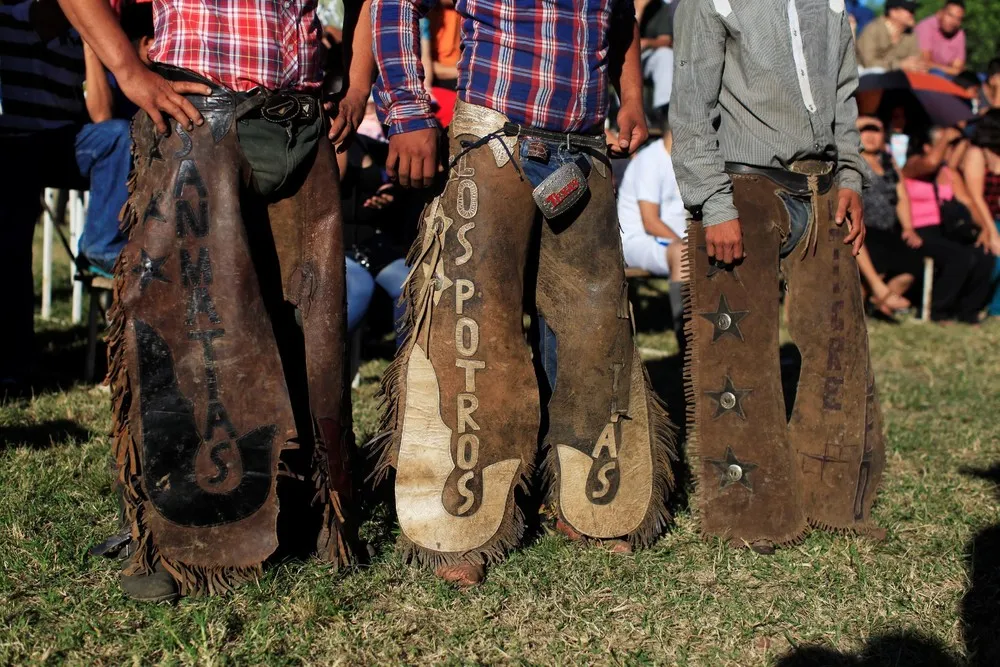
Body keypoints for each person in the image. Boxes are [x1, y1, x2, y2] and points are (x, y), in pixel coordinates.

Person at [56, 0, 373, 601]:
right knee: (188, 332)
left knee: (310, 334)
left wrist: (357, 83)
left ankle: (299, 515)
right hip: (196, 113)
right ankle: (179, 542)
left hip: (300, 123)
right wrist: (126, 67)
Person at [372, 0, 676, 587]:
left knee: (597, 331)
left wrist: (631, 96)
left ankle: (588, 506)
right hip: (492, 136)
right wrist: (409, 112)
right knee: (473, 328)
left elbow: (621, 20)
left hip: (584, 148)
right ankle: (463, 528)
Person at [672, 0, 886, 552]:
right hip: (743, 186)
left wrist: (851, 179)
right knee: (740, 359)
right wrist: (714, 205)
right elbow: (691, 103)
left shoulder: (833, 3)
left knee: (840, 344)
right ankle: (750, 515)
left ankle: (832, 500)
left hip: (821, 189)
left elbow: (843, 95)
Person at [1, 0, 84, 395]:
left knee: (116, 139)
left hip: (66, 142)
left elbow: (100, 112)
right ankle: (15, 361)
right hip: (13, 144)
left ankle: (100, 256)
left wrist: (90, 37)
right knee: (11, 243)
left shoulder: (81, 27)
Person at [75, 1, 153, 277]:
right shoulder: (110, 65)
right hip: (90, 145)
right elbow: (101, 115)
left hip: (122, 154)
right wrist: (91, 44)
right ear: (145, 42)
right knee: (118, 133)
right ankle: (100, 245)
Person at [903, 125, 994, 322]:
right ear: (928, 147)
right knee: (958, 256)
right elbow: (931, 162)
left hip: (946, 230)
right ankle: (937, 310)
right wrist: (946, 136)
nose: (951, 149)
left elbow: (968, 202)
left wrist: (984, 230)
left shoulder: (949, 173)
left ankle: (968, 312)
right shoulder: (913, 165)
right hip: (918, 230)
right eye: (946, 145)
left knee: (983, 255)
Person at [616, 116, 686, 339]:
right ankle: (688, 347)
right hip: (638, 240)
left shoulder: (689, 161)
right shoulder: (651, 160)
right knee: (684, 254)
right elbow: (651, 222)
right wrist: (691, 244)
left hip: (671, 239)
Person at [856, 116, 923, 315]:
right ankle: (870, 302)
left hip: (887, 228)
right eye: (864, 129)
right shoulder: (850, 160)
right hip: (861, 228)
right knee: (875, 260)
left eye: (875, 130)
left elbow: (901, 196)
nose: (870, 135)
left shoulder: (888, 161)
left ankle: (879, 302)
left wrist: (909, 228)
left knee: (912, 264)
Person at [960, 109, 1000, 319]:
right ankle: (979, 303)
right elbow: (976, 198)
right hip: (979, 217)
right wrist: (991, 231)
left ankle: (996, 309)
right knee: (995, 258)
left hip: (997, 216)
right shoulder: (976, 153)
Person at [856, 0, 925, 72]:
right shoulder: (872, 30)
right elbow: (869, 64)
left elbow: (914, 59)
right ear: (893, 12)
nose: (914, 14)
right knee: (877, 71)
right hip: (866, 76)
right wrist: (900, 65)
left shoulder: (910, 33)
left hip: (896, 77)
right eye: (910, 10)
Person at [637, 0, 674, 120]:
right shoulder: (620, 5)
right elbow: (626, 38)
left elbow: (665, 39)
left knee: (666, 54)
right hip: (619, 57)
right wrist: (639, 8)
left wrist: (647, 43)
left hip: (647, 55)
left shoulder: (660, 7)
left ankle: (665, 110)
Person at [914, 0, 966, 78]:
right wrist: (951, 70)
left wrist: (953, 70)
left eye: (958, 19)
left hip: (946, 76)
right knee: (936, 73)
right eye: (950, 15)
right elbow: (925, 63)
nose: (953, 22)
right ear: (940, 13)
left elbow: (958, 68)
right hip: (921, 74)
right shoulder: (926, 26)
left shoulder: (959, 34)